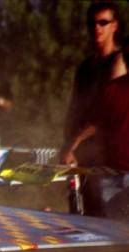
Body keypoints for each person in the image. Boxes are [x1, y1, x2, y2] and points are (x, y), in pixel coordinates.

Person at [60, 45, 129, 220]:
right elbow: (95, 122)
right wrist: (72, 145)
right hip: (112, 174)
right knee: (114, 234)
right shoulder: (113, 89)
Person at [62, 1, 123, 167]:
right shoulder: (85, 67)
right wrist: (68, 142)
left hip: (110, 154)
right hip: (81, 151)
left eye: (103, 22)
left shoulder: (118, 63)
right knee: (78, 193)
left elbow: (107, 111)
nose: (97, 27)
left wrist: (75, 140)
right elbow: (74, 107)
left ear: (114, 26)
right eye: (92, 23)